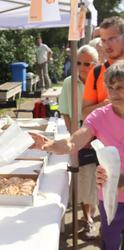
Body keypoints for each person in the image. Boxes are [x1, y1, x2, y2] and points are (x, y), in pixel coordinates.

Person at [33, 60, 124, 250]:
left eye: (121, 87)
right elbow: (73, 142)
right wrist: (48, 145)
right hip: (110, 197)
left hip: (113, 186)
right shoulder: (99, 116)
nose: (115, 93)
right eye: (111, 87)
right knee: (110, 243)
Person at [59, 45, 99, 240]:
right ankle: (87, 217)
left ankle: (99, 215)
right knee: (84, 177)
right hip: (79, 131)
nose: (83, 67)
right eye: (79, 63)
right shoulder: (69, 82)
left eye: (87, 63)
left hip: (101, 133)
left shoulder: (102, 81)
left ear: (95, 63)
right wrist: (75, 135)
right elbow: (65, 111)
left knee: (100, 178)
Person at [82, 16, 124, 119]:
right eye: (103, 40)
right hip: (105, 134)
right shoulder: (97, 72)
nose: (107, 45)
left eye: (112, 39)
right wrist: (106, 105)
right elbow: (85, 113)